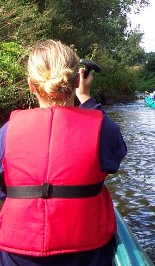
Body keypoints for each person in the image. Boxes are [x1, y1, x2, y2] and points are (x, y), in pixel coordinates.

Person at [0, 40, 127, 265]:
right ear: (78, 81)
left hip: (17, 254)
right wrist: (86, 98)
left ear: (31, 85)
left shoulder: (8, 130)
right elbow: (115, 157)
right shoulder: (103, 128)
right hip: (85, 252)